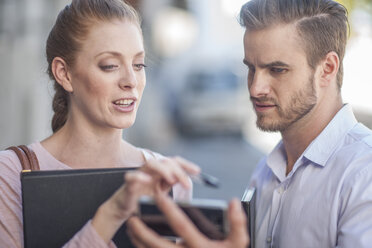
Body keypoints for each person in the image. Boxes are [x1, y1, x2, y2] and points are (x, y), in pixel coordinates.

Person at [127, 0, 372, 247]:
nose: (255, 88)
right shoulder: (267, 170)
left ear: (327, 69)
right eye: (251, 69)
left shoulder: (364, 174)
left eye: (277, 70)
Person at [0, 0, 200, 247]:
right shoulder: (9, 174)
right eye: (110, 66)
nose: (130, 81)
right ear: (64, 73)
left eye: (139, 65)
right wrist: (111, 214)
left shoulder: (167, 181)